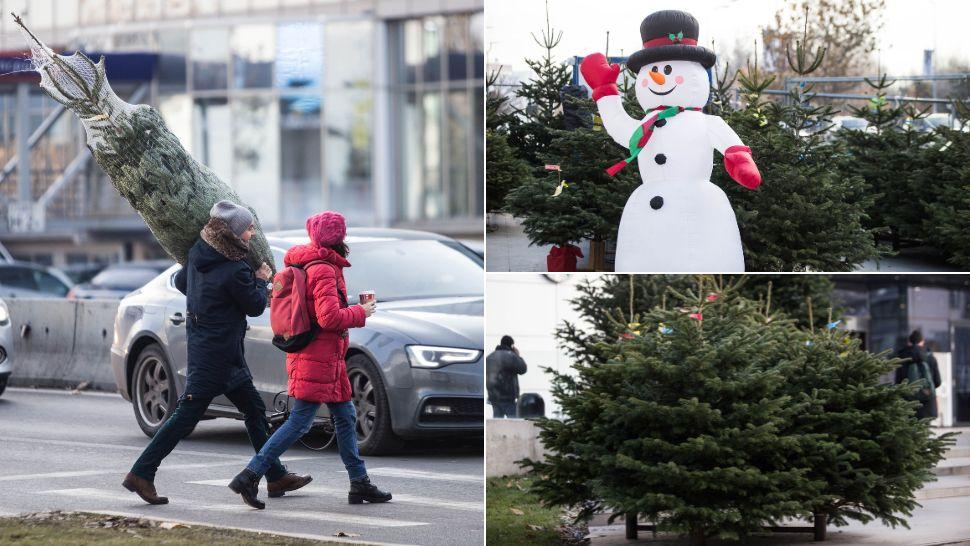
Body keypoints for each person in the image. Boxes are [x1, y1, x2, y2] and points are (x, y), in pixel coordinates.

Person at [123, 201, 310, 504]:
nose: (252, 232)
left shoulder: (200, 251)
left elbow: (184, 282)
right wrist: (261, 279)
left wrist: (208, 300)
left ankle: (275, 476)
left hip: (216, 349)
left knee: (254, 411)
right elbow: (253, 305)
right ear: (234, 232)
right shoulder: (235, 267)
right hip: (216, 356)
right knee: (185, 417)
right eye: (248, 228)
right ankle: (141, 473)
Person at [228, 211, 391, 509]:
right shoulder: (324, 269)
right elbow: (329, 317)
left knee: (345, 417)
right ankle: (249, 475)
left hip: (325, 357)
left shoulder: (310, 264)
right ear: (339, 237)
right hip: (319, 357)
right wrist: (360, 313)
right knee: (300, 422)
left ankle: (359, 483)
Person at [894, 330, 942, 420]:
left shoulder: (902, 358)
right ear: (922, 341)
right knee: (924, 432)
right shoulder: (930, 358)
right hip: (927, 404)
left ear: (909, 342)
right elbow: (938, 382)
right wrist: (925, 389)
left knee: (909, 432)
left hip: (908, 404)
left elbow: (898, 382)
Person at [486, 335, 527, 418]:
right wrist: (518, 356)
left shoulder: (489, 357)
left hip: (493, 395)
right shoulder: (511, 356)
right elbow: (523, 369)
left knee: (496, 421)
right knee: (514, 422)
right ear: (511, 345)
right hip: (507, 396)